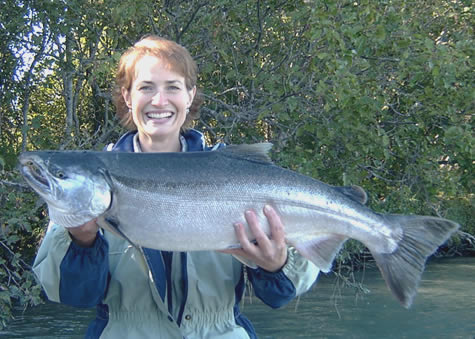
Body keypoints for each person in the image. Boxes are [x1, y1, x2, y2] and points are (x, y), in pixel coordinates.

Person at [33, 35, 319, 339]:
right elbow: (72, 296)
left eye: (173, 87)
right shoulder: (86, 184)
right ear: (127, 96)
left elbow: (280, 296)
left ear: (189, 95)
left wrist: (276, 266)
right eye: (146, 87)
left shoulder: (234, 168)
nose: (159, 100)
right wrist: (83, 241)